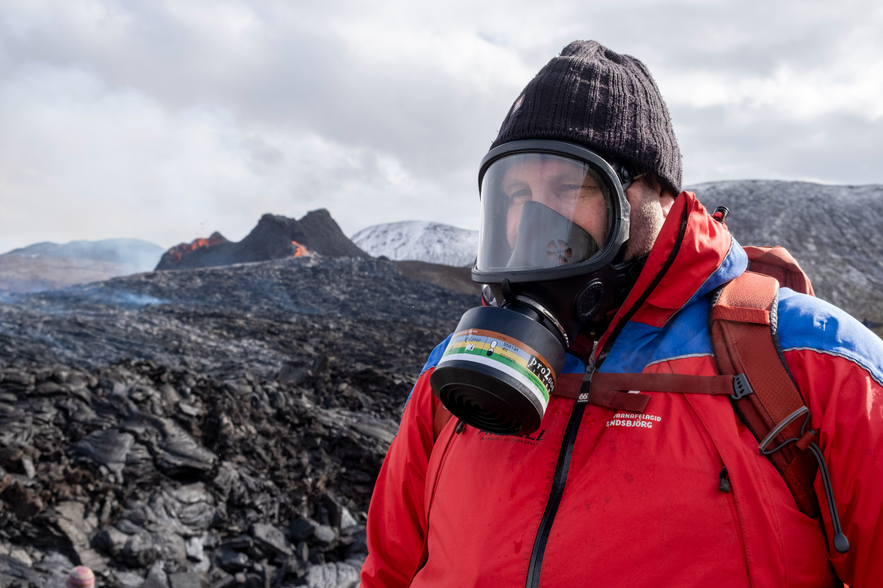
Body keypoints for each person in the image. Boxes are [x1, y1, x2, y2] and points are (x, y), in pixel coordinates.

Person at [359, 40, 883, 587]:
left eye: (569, 185)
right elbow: (390, 572)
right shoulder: (459, 371)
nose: (533, 221)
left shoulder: (815, 363)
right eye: (515, 194)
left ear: (653, 192)